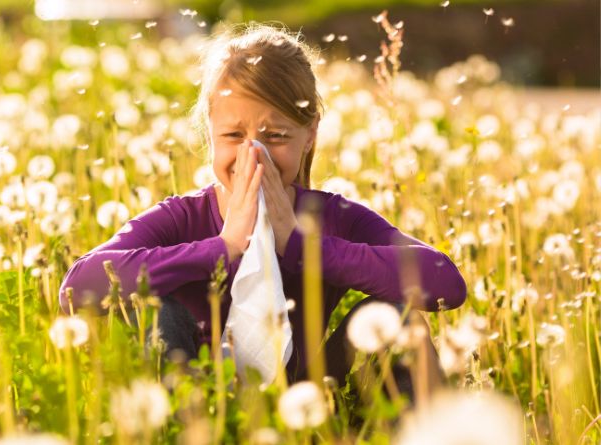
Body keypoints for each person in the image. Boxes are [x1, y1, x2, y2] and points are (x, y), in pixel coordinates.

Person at [59, 23, 467, 401]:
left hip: (307, 398)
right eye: (234, 135)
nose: (253, 155)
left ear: (310, 136)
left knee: (398, 319)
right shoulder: (182, 218)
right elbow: (77, 288)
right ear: (210, 132)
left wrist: (302, 246)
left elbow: (445, 283)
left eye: (275, 136)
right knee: (157, 311)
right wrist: (223, 247)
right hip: (196, 397)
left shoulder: (333, 216)